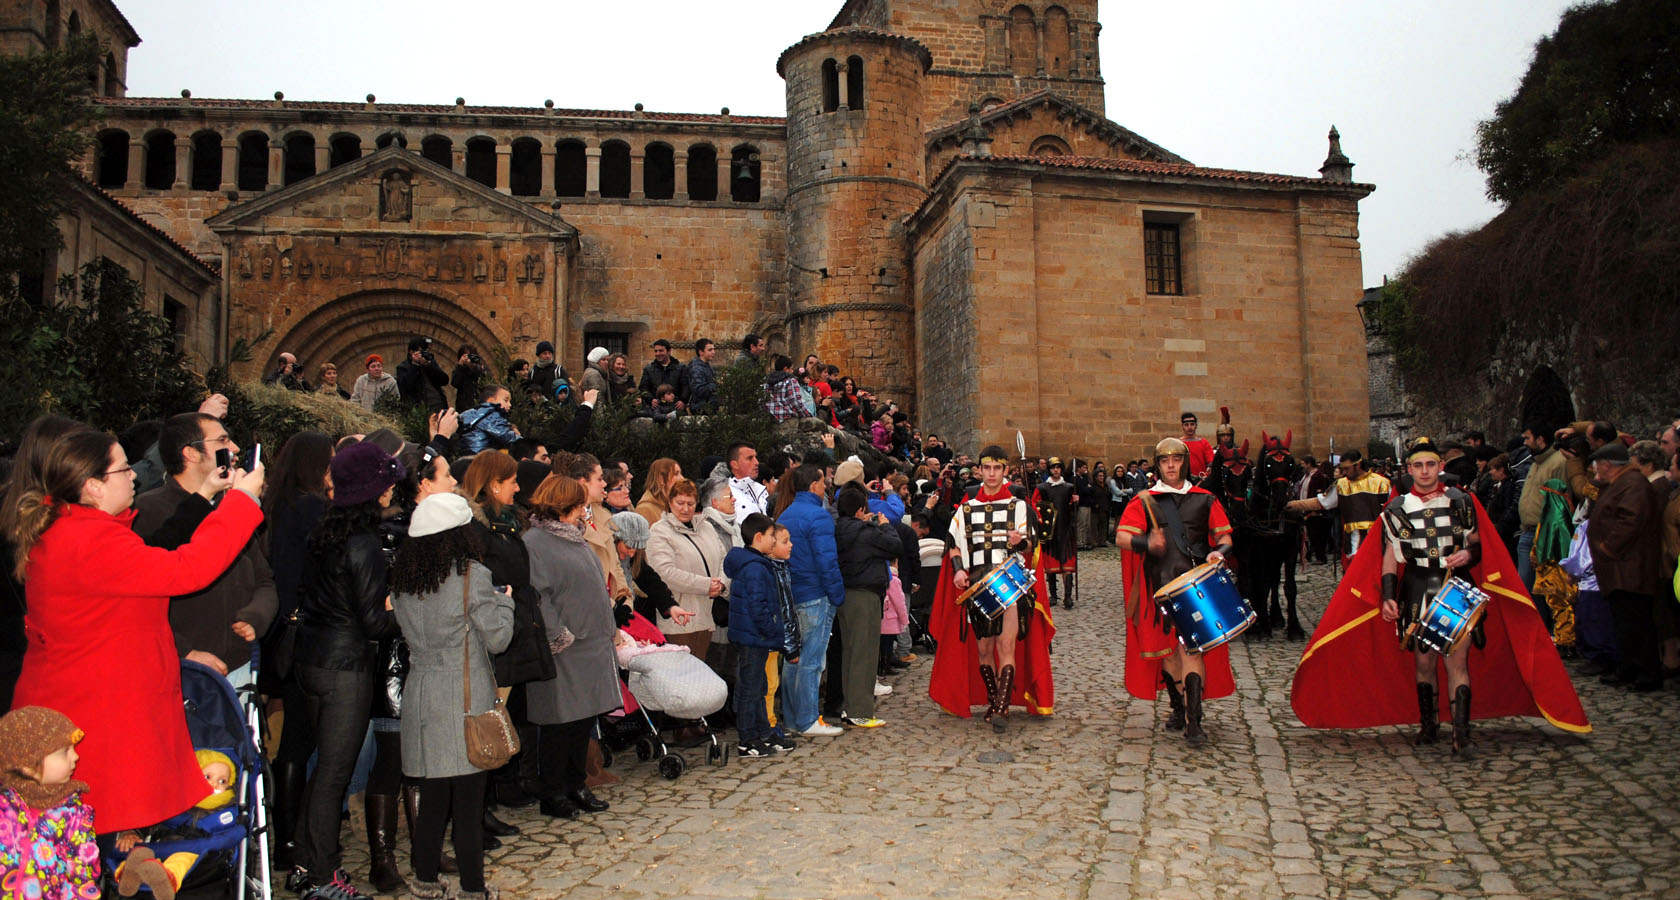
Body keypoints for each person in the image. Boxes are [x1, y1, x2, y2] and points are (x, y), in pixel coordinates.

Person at [8, 426, 264, 837]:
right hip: (97, 720)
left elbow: (158, 557)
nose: (134, 475)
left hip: (87, 708)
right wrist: (242, 501)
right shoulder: (90, 540)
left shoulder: (76, 529)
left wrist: (210, 498)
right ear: (93, 486)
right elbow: (187, 570)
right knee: (90, 846)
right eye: (124, 468)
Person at [1291, 436, 1590, 748]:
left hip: (1456, 586)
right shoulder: (1396, 509)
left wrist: (1468, 556)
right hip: (1418, 587)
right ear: (1409, 469)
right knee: (1424, 663)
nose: (1424, 471)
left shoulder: (1461, 502)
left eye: (1430, 464)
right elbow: (1391, 556)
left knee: (1457, 662)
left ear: (1440, 466)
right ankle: (1429, 724)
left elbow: (1476, 544)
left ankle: (1461, 731)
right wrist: (1389, 595)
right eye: (1418, 466)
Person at [288, 442, 405, 900]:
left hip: (312, 660)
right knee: (334, 774)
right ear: (373, 490)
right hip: (344, 668)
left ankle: (303, 860)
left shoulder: (324, 531)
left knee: (324, 772)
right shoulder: (364, 545)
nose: (393, 488)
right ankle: (322, 876)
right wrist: (407, 613)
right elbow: (374, 621)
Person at [388, 492, 514, 900]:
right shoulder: (470, 575)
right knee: (468, 801)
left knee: (435, 795)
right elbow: (497, 638)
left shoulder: (405, 578)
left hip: (422, 693)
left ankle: (424, 878)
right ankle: (473, 888)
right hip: (464, 696)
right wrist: (506, 603)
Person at [131, 412, 277, 688]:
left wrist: (257, 616)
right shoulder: (147, 511)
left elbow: (264, 579)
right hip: (183, 672)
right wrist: (182, 651)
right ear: (191, 453)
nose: (234, 448)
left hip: (240, 666)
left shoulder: (231, 507)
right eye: (222, 440)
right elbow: (138, 600)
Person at [928, 446, 1055, 733]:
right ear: (980, 471)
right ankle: (992, 699)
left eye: (998, 468)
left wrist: (1019, 541)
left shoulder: (1019, 505)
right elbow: (954, 543)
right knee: (984, 649)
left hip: (1008, 580)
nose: (993, 473)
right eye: (988, 468)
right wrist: (959, 569)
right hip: (977, 583)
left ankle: (1002, 706)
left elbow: (1031, 546)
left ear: (1005, 471)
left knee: (1005, 644)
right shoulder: (966, 507)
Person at [1115, 437, 1233, 746]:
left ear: (1185, 462)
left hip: (1195, 588)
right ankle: (1178, 707)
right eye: (1165, 460)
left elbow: (1225, 537)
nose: (1171, 465)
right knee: (1167, 653)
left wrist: (1218, 552)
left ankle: (1195, 721)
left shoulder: (1205, 499)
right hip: (1159, 588)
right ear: (1157, 464)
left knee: (1191, 650)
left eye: (1177, 459)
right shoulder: (1145, 501)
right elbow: (1123, 537)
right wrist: (1147, 543)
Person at [522, 475, 620, 821]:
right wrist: (558, 634)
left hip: (591, 642)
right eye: (579, 504)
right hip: (565, 647)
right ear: (563, 505)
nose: (584, 510)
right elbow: (537, 594)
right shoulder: (535, 542)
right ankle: (553, 791)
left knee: (582, 721)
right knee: (558, 723)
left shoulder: (574, 538)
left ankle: (576, 783)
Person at [260, 431, 334, 872]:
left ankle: (285, 837)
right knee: (302, 739)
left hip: (282, 631)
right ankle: (292, 839)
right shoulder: (311, 509)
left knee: (291, 736)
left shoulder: (276, 505)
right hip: (305, 634)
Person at [1586, 442, 1664, 691]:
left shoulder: (1633, 484)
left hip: (1629, 567)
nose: (1595, 469)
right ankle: (1628, 667)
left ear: (1607, 465)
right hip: (1621, 567)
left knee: (1636, 621)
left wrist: (1608, 547)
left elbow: (1631, 520)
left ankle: (1646, 673)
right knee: (1624, 621)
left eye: (1597, 464)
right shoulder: (1624, 483)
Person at [0, 706, 99, 900]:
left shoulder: (75, 816)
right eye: (64, 751)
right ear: (27, 764)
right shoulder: (4, 807)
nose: (76, 756)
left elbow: (82, 876)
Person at [777, 465, 847, 737]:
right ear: (813, 485)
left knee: (794, 658)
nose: (826, 484)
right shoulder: (818, 516)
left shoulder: (786, 513)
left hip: (794, 593)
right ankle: (807, 720)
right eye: (822, 480)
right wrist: (837, 593)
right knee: (811, 660)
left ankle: (794, 719)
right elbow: (826, 559)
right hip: (815, 594)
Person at [724, 514, 801, 757]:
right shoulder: (755, 567)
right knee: (750, 689)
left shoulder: (756, 563)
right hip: (753, 637)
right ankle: (747, 739)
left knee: (759, 687)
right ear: (759, 537)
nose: (772, 540)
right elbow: (758, 606)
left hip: (755, 636)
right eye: (771, 536)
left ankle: (763, 732)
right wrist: (773, 631)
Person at [831, 488, 900, 728]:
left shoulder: (836, 529)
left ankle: (847, 705)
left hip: (844, 593)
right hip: (865, 594)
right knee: (864, 653)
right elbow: (894, 546)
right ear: (861, 510)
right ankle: (859, 710)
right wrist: (884, 525)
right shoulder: (866, 532)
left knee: (849, 653)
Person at [646, 479, 727, 661]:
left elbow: (724, 558)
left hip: (706, 617)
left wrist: (721, 584)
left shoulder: (706, 527)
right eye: (680, 503)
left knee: (702, 673)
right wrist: (706, 585)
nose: (685, 509)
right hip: (679, 619)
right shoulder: (659, 531)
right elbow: (664, 573)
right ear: (670, 503)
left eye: (690, 503)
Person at [1286, 449, 1392, 564]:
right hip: (1353, 541)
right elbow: (1321, 502)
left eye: (1347, 468)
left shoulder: (1382, 483)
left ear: (1358, 465)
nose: (1345, 472)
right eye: (1343, 469)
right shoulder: (1342, 485)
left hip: (1378, 539)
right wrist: (1294, 505)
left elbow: (1391, 510)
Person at [1031, 457, 1079, 609]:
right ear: (1049, 470)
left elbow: (1072, 508)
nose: (1056, 470)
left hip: (1066, 529)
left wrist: (1075, 502)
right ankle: (1053, 594)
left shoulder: (1069, 487)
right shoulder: (1042, 487)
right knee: (1050, 563)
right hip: (1049, 530)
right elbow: (1034, 505)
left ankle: (1068, 596)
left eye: (1058, 467)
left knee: (1067, 563)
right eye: (1053, 468)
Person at [459, 384, 522, 454]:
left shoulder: (471, 413)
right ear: (490, 400)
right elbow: (506, 436)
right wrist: (518, 437)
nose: (510, 404)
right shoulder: (491, 415)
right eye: (506, 400)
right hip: (483, 458)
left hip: (468, 455)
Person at [396, 338, 450, 413]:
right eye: (421, 351)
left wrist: (430, 366)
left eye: (425, 351)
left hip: (438, 405)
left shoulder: (429, 363)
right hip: (419, 410)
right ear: (411, 352)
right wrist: (415, 365)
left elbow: (445, 380)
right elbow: (407, 386)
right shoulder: (403, 367)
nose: (423, 354)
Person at [635, 458, 683, 527]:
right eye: (676, 474)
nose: (682, 478)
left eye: (680, 473)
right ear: (661, 479)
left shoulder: (666, 505)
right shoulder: (645, 509)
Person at [639, 339, 687, 407]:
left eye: (661, 351)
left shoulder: (681, 368)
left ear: (669, 351)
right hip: (656, 409)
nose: (658, 353)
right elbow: (643, 388)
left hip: (675, 407)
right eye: (656, 351)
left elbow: (686, 387)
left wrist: (683, 401)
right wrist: (650, 400)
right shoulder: (648, 370)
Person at [685, 338, 719, 413]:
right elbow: (699, 390)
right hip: (701, 408)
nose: (714, 352)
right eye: (710, 350)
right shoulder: (696, 368)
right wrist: (716, 384)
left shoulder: (706, 365)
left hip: (708, 407)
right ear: (701, 352)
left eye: (714, 349)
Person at [450, 345, 486, 413]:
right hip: (464, 407)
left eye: (471, 355)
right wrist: (460, 365)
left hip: (478, 405)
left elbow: (483, 381)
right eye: (466, 356)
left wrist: (473, 366)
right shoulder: (460, 370)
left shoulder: (479, 368)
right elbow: (455, 383)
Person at [1180, 412, 1214, 480]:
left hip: (1201, 480)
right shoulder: (1178, 444)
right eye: (1186, 425)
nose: (1189, 427)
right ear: (1182, 426)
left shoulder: (1204, 443)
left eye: (1192, 424)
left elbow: (1211, 463)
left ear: (1196, 426)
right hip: (1182, 481)